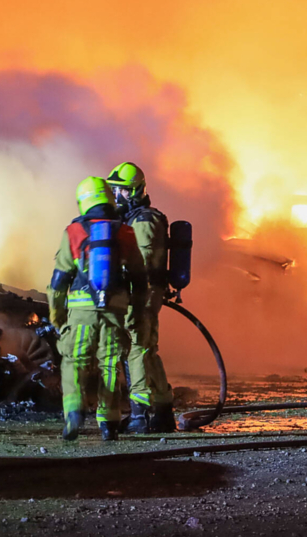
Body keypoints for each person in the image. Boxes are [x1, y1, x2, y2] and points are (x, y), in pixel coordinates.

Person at [47, 177, 148, 441]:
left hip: (81, 310)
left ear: (83, 201)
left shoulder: (73, 231)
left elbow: (59, 282)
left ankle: (73, 411)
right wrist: (136, 312)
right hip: (114, 309)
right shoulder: (125, 231)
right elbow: (139, 279)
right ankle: (109, 423)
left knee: (74, 361)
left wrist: (57, 316)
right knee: (111, 365)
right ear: (108, 198)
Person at [106, 162, 176, 433]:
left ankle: (139, 414)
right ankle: (162, 410)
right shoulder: (136, 217)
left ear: (134, 191)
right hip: (143, 292)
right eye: (115, 191)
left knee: (136, 348)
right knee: (147, 349)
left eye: (121, 191)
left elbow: (142, 262)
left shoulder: (145, 220)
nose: (116, 196)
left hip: (142, 293)